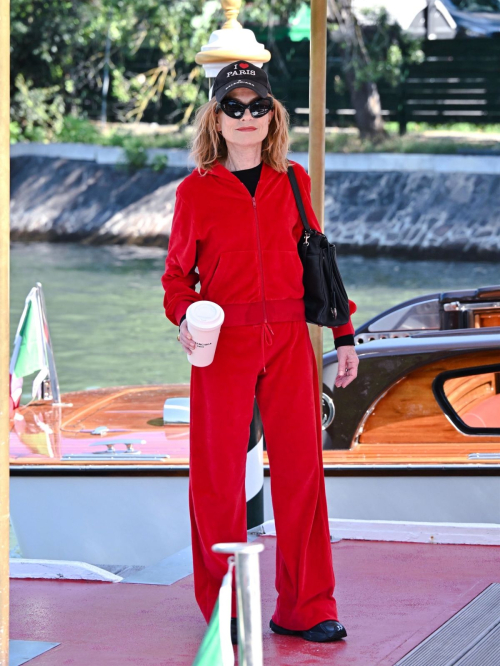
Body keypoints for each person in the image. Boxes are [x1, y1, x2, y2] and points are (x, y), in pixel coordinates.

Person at [161, 60, 359, 644]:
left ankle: (306, 607)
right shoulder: (194, 192)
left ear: (272, 116)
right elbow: (177, 281)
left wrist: (345, 335)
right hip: (223, 344)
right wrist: (185, 321)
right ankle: (224, 607)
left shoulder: (293, 181)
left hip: (292, 340)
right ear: (216, 119)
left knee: (302, 474)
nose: (246, 117)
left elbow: (321, 264)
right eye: (234, 107)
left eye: (257, 107)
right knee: (217, 480)